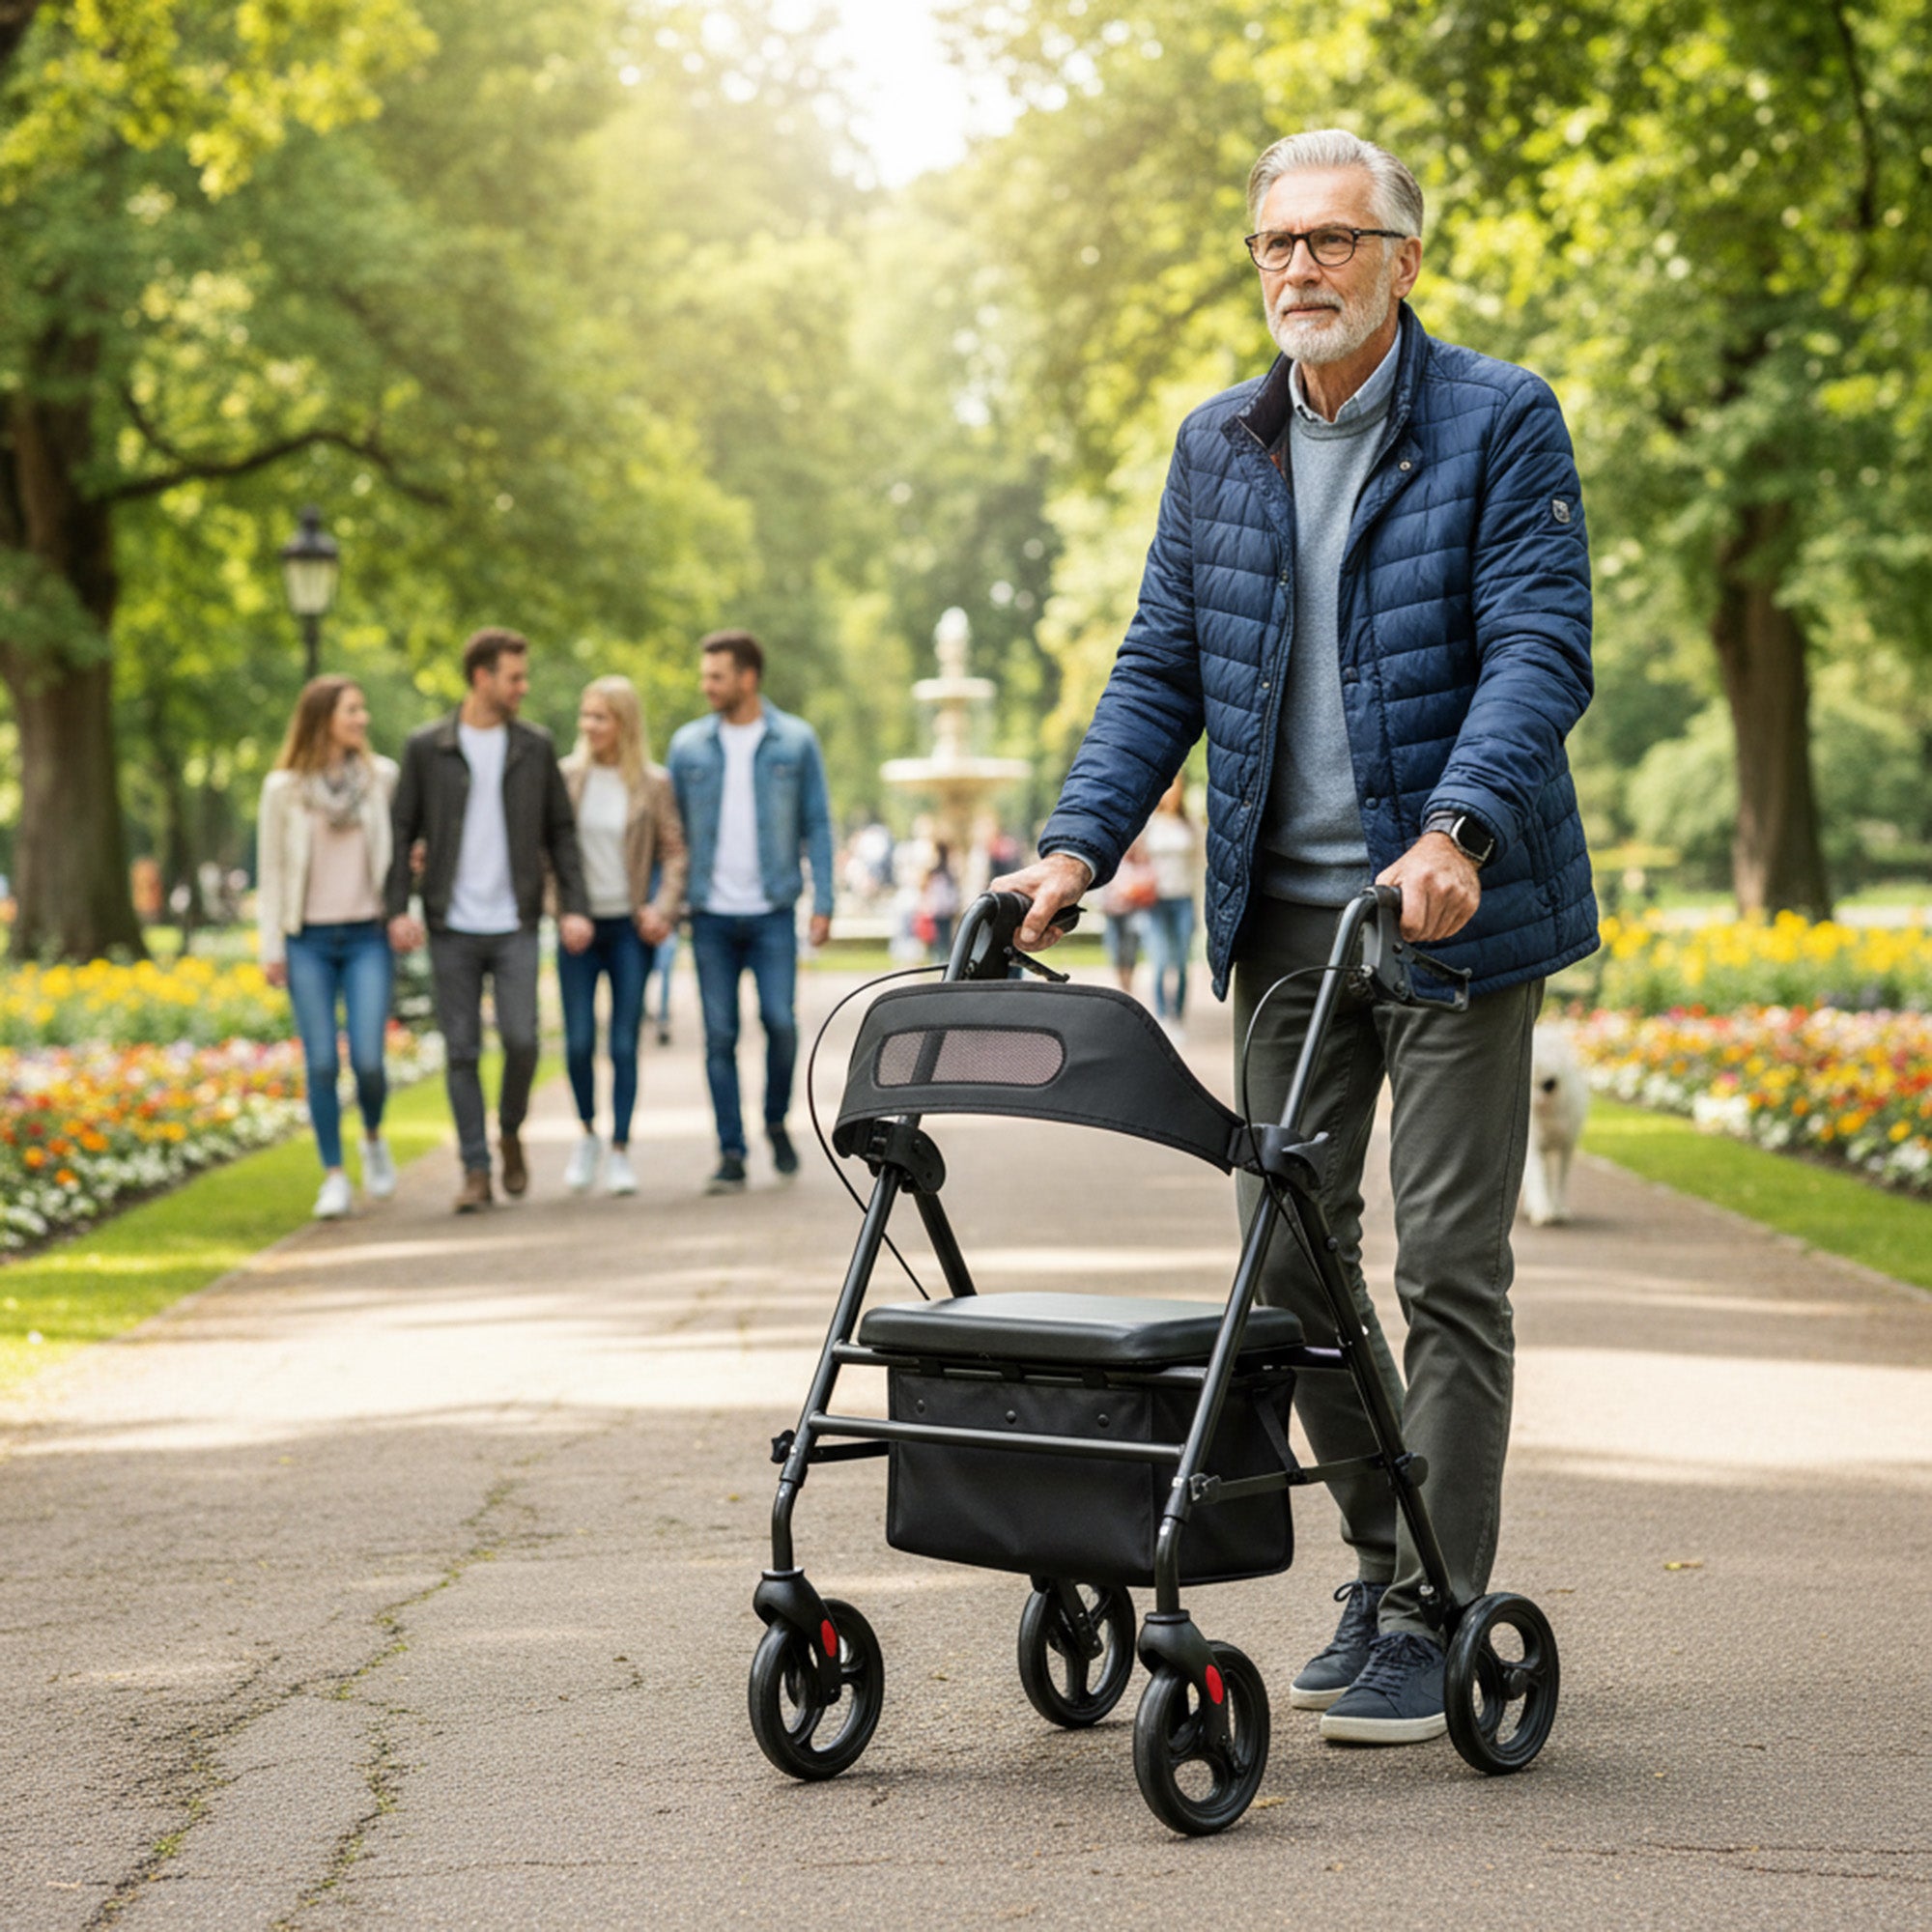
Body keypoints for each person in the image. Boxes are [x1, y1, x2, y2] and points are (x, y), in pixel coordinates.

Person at [995, 128, 1596, 1747]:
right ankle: (1377, 1562)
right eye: (1277, 246)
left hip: (1457, 912)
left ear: (1405, 258)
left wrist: (1459, 828)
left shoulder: (1499, 418)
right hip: (1288, 925)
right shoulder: (1219, 448)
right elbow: (1159, 671)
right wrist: (1074, 847)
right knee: (1294, 1261)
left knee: (1451, 1268)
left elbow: (1541, 647)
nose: (1301, 271)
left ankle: (1437, 1606)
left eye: (1334, 242)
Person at [385, 628, 592, 1213]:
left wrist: (572, 906)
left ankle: (509, 1130)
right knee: (461, 1050)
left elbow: (561, 831)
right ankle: (475, 1169)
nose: (523, 687)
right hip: (451, 921)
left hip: (516, 920)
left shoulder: (534, 745)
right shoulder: (428, 747)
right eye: (514, 677)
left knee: (523, 1040)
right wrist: (397, 907)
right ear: (481, 677)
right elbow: (403, 829)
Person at [666, 630, 835, 1193]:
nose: (705, 685)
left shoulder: (795, 741)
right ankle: (731, 1151)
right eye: (705, 674)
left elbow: (818, 824)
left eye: (716, 675)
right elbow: (672, 836)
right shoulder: (688, 745)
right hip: (709, 914)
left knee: (780, 1024)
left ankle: (774, 1121)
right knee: (719, 1035)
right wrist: (664, 903)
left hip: (772, 912)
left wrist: (824, 900)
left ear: (748, 677)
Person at [257, 677, 400, 1220]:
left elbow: (403, 848)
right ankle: (335, 1175)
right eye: (352, 710)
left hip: (367, 935)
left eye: (362, 709)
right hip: (307, 940)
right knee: (319, 1063)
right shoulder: (283, 789)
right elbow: (270, 871)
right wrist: (271, 946)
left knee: (367, 1059)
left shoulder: (381, 778)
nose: (362, 719)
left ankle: (373, 1135)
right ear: (322, 717)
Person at [556, 674, 688, 1196]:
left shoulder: (653, 784)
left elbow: (674, 852)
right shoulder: (566, 778)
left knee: (623, 1044)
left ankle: (619, 1150)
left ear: (624, 724)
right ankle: (588, 1133)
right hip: (579, 930)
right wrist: (564, 910)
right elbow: (550, 856)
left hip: (630, 930)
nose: (588, 726)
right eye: (585, 716)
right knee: (577, 1042)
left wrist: (662, 909)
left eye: (600, 717)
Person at [1141, 776, 1204, 1037]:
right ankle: (1162, 1015)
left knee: (1180, 961)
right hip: (1155, 900)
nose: (1171, 793)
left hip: (1183, 899)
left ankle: (1177, 1015)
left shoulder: (1190, 825)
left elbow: (1201, 865)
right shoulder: (1149, 824)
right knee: (1159, 959)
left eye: (1176, 787)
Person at [1099, 836, 1156, 993]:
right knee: (1116, 949)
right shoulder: (1113, 863)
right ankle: (1122, 983)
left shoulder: (1142, 864)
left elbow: (1148, 885)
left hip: (1132, 911)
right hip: (1113, 912)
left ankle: (1128, 984)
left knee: (1130, 949)